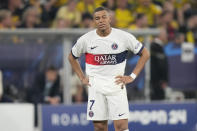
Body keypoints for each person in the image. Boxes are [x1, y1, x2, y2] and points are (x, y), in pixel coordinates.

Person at [68, 7, 150, 131]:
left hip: (116, 85)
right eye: (97, 18)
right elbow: (71, 57)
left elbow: (145, 53)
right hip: (96, 86)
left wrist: (132, 76)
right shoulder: (86, 39)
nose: (101, 20)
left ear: (109, 19)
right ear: (94, 21)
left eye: (103, 17)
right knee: (100, 127)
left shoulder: (123, 37)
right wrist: (81, 77)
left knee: (121, 126)